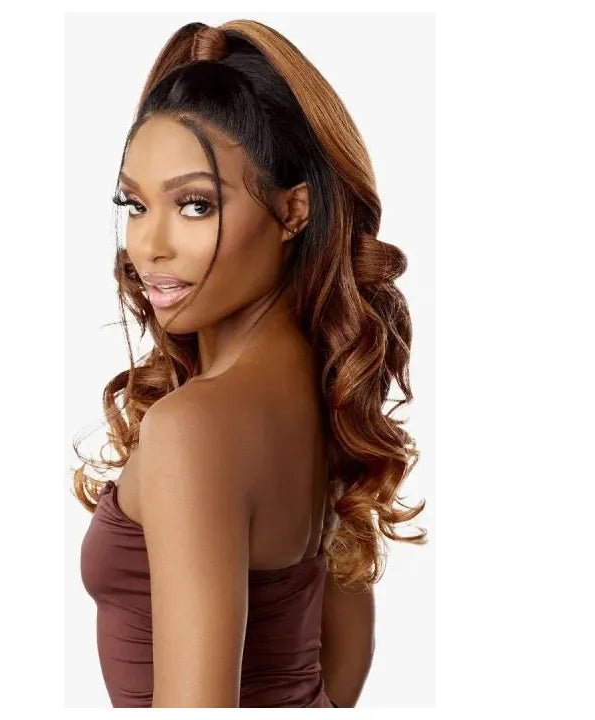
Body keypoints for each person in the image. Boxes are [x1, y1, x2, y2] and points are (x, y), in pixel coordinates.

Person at [74, 19, 426, 708]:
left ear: (294, 211)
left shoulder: (194, 428)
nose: (149, 245)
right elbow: (341, 675)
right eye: (135, 205)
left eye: (195, 205)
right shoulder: (329, 400)